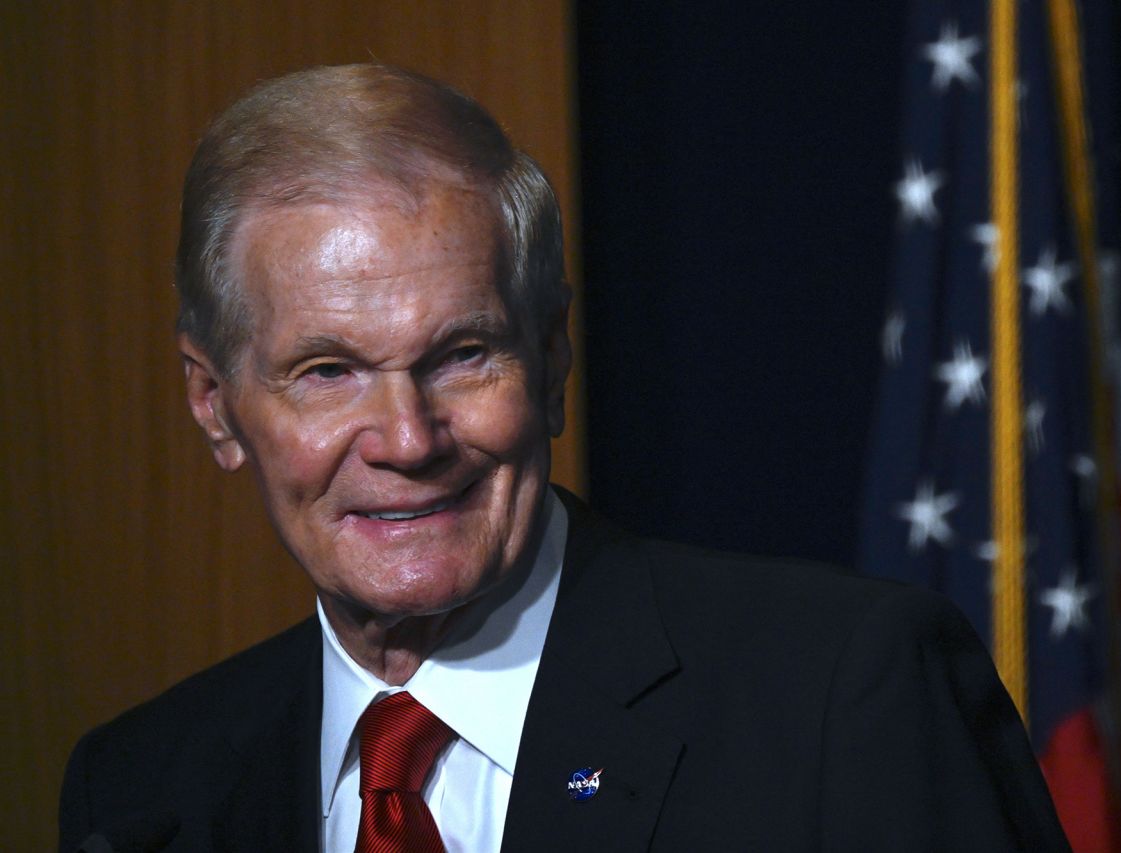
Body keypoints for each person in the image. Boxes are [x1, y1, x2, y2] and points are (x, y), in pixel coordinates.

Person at [59, 64, 1069, 852]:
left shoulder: (839, 698)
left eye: (462, 355)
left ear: (549, 363)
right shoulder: (145, 790)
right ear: (214, 405)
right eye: (326, 371)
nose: (407, 439)